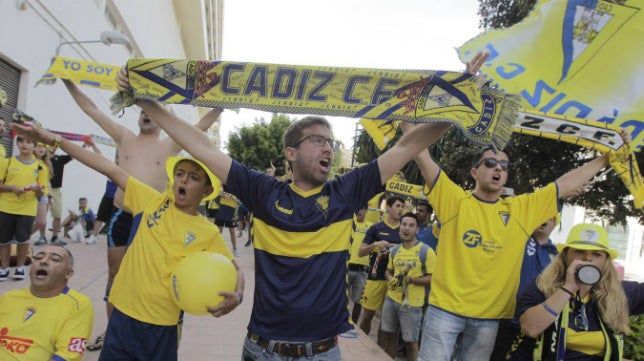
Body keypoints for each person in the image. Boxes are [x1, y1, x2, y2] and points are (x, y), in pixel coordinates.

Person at [115, 57, 475, 360]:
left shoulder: (347, 191)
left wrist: (459, 103)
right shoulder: (261, 190)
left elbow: (406, 147)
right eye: (317, 141)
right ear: (290, 153)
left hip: (323, 352)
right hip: (262, 349)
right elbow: (201, 146)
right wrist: (146, 103)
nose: (328, 149)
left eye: (331, 143)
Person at [11, 122, 245, 361]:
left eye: (193, 178)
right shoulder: (151, 201)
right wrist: (54, 140)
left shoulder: (208, 232)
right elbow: (107, 168)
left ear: (206, 192)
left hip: (163, 325)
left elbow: (235, 269)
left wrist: (238, 297)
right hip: (122, 315)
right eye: (180, 174)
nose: (183, 181)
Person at [407, 123, 632, 361]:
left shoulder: (521, 210)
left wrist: (606, 158)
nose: (498, 169)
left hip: (489, 318)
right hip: (444, 311)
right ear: (474, 172)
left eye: (503, 166)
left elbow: (564, 185)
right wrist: (406, 111)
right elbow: (421, 154)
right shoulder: (454, 201)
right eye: (491, 163)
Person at [61, 79, 220, 350]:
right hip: (123, 216)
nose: (146, 115)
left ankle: (163, 332)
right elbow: (91, 109)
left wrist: (221, 105)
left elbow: (202, 126)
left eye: (152, 111)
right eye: (143, 111)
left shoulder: (171, 144)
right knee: (116, 276)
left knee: (156, 280)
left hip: (155, 222)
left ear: (161, 118)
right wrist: (67, 80)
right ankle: (113, 332)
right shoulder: (123, 137)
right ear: (137, 116)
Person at [507, 223, 644, 360]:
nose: (587, 258)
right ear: (565, 255)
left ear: (605, 261)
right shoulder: (543, 285)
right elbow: (530, 328)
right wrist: (568, 288)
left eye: (596, 254)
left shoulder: (619, 292)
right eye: (579, 251)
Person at [0, 244, 94, 360]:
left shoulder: (78, 305)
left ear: (68, 273)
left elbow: (68, 355)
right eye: (38, 257)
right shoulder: (9, 297)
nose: (43, 261)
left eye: (55, 259)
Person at [490, 216, 559, 360]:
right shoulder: (516, 241)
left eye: (550, 218)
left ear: (555, 224)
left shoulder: (556, 256)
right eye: (542, 215)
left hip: (533, 323)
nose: (544, 220)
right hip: (504, 318)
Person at [381, 212, 435, 361]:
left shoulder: (426, 251)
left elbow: (433, 278)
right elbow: (388, 270)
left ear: (417, 230)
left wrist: (412, 280)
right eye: (404, 224)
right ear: (400, 228)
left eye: (411, 225)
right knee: (389, 336)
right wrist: (390, 278)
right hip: (391, 300)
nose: (407, 228)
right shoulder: (395, 250)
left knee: (411, 342)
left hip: (413, 304)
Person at [0, 135, 49, 281]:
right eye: (21, 141)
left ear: (34, 146)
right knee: (4, 240)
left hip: (27, 207)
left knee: (23, 239)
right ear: (18, 144)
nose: (24, 144)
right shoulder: (7, 162)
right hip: (5, 206)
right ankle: (4, 268)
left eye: (29, 141)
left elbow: (43, 191)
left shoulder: (41, 166)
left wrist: (37, 189)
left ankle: (20, 268)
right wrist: (11, 188)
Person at [358, 195, 404, 338]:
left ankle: (379, 354)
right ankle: (362, 348)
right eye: (397, 206)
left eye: (402, 207)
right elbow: (360, 252)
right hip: (375, 276)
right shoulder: (376, 228)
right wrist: (374, 245)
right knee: (367, 316)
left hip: (394, 280)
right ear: (388, 208)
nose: (400, 209)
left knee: (386, 321)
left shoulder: (405, 230)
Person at [347, 207, 373, 323]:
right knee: (339, 299)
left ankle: (353, 326)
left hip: (362, 272)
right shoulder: (348, 222)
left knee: (358, 302)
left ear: (367, 211)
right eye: (358, 208)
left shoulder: (372, 227)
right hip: (345, 268)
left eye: (362, 209)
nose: (359, 211)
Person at [31, 142, 53, 245]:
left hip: (44, 195)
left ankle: (22, 237)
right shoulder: (31, 159)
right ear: (34, 148)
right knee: (30, 220)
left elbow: (47, 181)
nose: (41, 149)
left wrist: (50, 196)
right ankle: (20, 238)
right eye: (39, 146)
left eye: (44, 146)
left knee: (41, 222)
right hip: (32, 193)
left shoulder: (45, 163)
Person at [213, 191, 239, 256]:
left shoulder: (237, 190)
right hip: (222, 211)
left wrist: (232, 197)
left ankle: (235, 249)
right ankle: (215, 248)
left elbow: (239, 201)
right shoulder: (223, 189)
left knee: (232, 232)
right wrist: (223, 194)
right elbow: (216, 193)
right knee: (219, 231)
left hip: (231, 213)